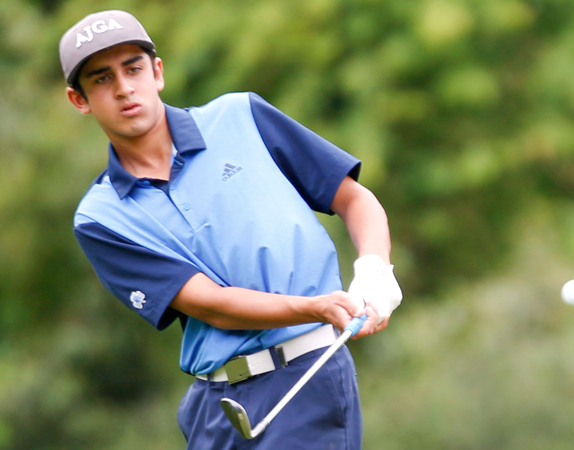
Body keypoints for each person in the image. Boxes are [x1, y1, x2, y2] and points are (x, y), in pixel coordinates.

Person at [59, 10, 402, 450]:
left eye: (133, 69)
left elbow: (354, 199)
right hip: (213, 405)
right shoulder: (101, 217)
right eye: (102, 79)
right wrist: (314, 306)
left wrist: (374, 268)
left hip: (304, 376)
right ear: (79, 99)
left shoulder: (241, 116)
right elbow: (214, 306)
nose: (124, 88)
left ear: (157, 72)